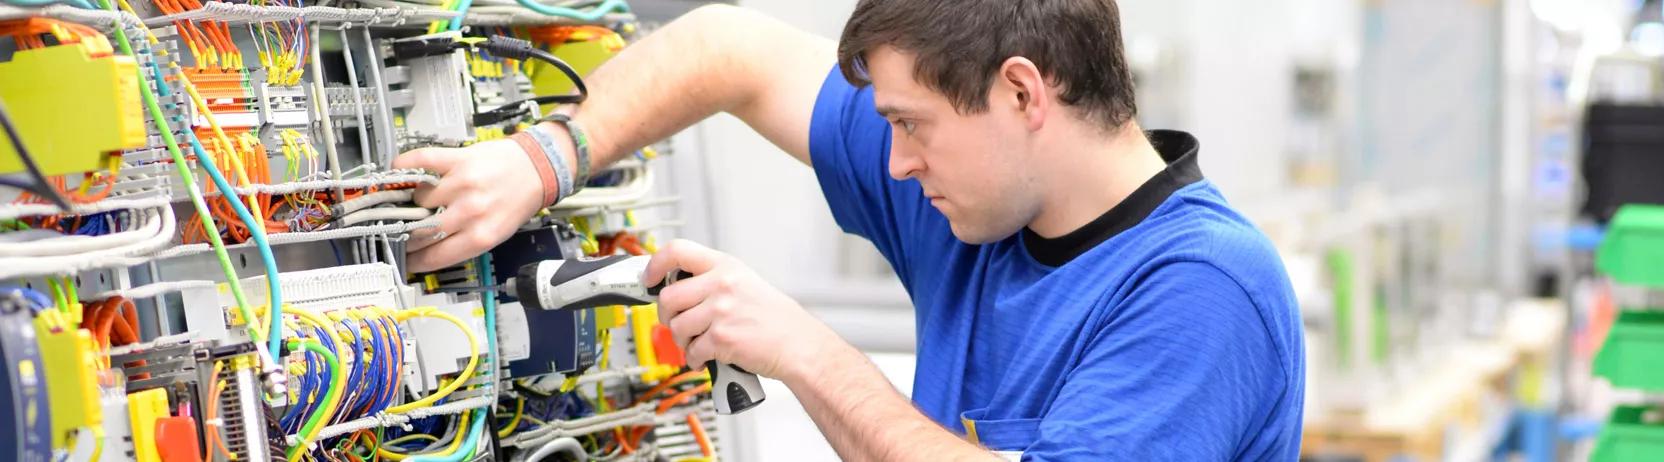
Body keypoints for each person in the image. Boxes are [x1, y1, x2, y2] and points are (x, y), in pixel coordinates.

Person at [395, 1, 1303, 459]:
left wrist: (808, 352)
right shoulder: (973, 193)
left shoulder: (1200, 289)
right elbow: (728, 50)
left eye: (912, 124)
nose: (895, 163)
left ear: (1024, 92)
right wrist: (542, 160)